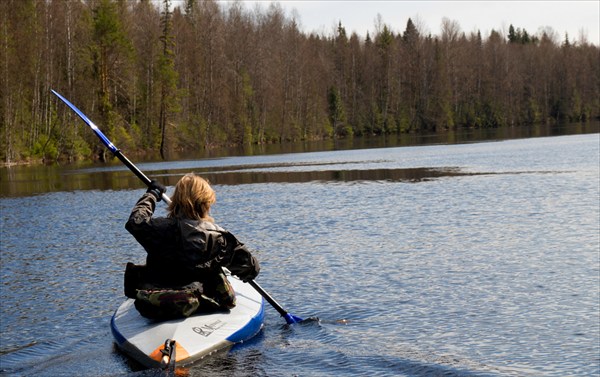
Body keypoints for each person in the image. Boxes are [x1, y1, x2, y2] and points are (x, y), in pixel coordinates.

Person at [124, 173, 260, 319]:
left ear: (176, 201)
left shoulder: (158, 228)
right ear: (206, 204)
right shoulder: (218, 237)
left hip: (154, 303)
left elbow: (135, 221)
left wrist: (152, 194)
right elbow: (251, 269)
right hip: (202, 302)